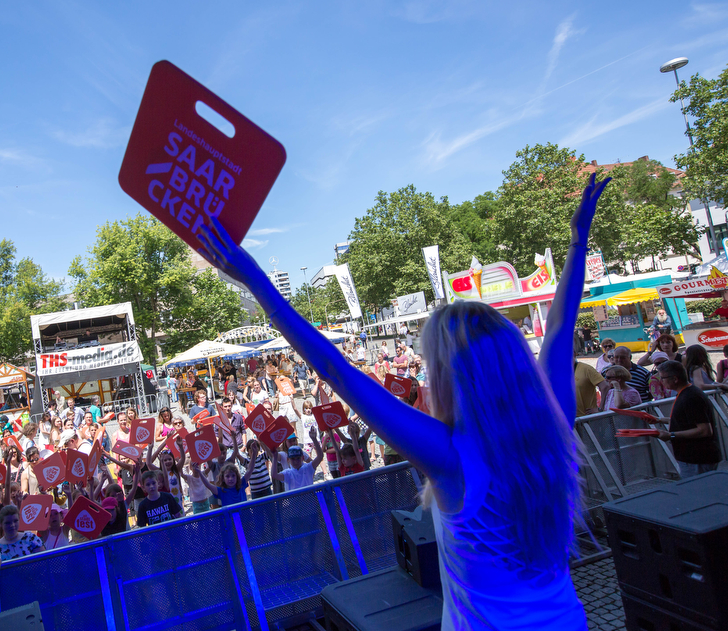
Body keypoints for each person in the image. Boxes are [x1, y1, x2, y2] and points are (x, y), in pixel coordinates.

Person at [194, 172, 612, 629]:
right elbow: (560, 325)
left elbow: (336, 370)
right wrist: (578, 242)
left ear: (455, 379)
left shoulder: (452, 455)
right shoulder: (552, 424)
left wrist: (254, 279)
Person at [649, 361, 723, 478]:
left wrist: (671, 435)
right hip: (693, 458)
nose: (661, 381)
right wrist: (659, 420)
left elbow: (704, 430)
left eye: (662, 378)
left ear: (675, 379)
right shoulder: (687, 394)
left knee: (697, 488)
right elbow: (686, 421)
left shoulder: (691, 397)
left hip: (697, 459)